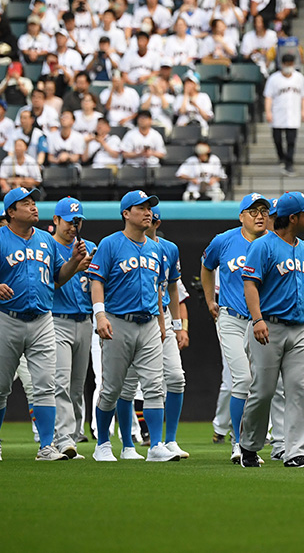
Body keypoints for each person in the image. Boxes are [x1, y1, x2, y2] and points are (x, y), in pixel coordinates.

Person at [0, 187, 87, 462]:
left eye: (34, 202)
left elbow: (58, 277)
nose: (34, 207)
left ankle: (46, 446)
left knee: (45, 385)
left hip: (42, 320)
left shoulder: (46, 240)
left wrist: (73, 261)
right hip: (6, 319)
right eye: (26, 204)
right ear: (11, 212)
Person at [88, 191, 180, 464]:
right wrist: (100, 316)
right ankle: (103, 443)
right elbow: (96, 281)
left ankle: (155, 446)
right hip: (118, 322)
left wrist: (163, 323)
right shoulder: (110, 244)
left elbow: (159, 289)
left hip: (150, 322)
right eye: (140, 208)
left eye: (149, 207)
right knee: (112, 388)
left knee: (154, 386)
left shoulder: (156, 248)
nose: (147, 212)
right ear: (126, 213)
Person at [239, 192, 304, 468]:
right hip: (269, 327)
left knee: (299, 390)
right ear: (293, 218)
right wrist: (258, 319)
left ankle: (294, 451)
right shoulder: (264, 246)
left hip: (300, 329)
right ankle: (249, 447)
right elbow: (250, 284)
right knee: (263, 391)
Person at [201, 193, 270, 464]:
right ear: (241, 216)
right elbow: (207, 267)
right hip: (231, 318)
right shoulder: (224, 240)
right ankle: (239, 443)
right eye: (253, 211)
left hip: (261, 322)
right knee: (242, 379)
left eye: (264, 210)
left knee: (263, 385)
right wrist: (209, 300)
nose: (259, 215)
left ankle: (259, 441)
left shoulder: (273, 243)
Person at [119, 206, 189, 459]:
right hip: (132, 319)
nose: (152, 223)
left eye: (156, 219)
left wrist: (177, 326)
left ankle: (168, 441)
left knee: (176, 378)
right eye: (149, 218)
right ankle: (127, 443)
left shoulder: (168, 248)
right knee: (126, 387)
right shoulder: (123, 245)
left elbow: (172, 290)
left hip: (163, 319)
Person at [49, 198, 96, 459]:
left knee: (77, 385)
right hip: (58, 319)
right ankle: (63, 437)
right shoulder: (49, 247)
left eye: (77, 221)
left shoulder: (90, 247)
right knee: (61, 382)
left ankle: (74, 435)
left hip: (84, 319)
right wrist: (75, 265)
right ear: (56, 220)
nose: (73, 226)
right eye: (69, 221)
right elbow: (51, 283)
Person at [263, 54, 304, 176]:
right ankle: (282, 156)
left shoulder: (299, 78)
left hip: (293, 114)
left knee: (291, 140)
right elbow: (268, 97)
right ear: (282, 64)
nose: (288, 67)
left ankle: (289, 162)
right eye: (286, 64)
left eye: (290, 64)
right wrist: (268, 112)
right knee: (277, 139)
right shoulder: (274, 78)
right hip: (278, 113)